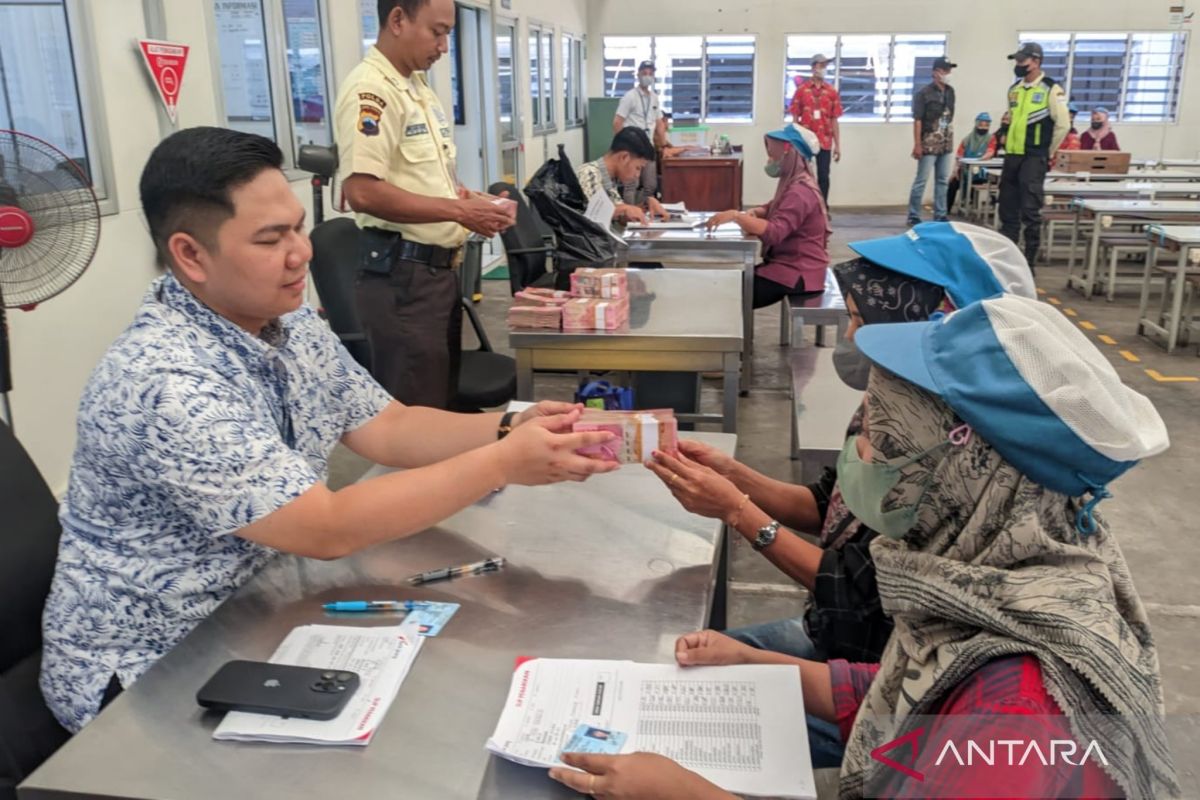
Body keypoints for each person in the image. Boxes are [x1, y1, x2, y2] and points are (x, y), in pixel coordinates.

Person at [38, 126, 619, 734]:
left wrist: (507, 427)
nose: (302, 253)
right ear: (190, 255)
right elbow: (325, 527)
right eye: (271, 238)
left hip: (260, 609)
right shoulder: (165, 382)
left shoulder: (285, 321)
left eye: (296, 227)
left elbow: (389, 428)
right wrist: (503, 464)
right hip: (153, 673)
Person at [552, 294, 1178, 799]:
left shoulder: (1018, 702)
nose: (860, 453)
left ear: (960, 469)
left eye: (882, 438)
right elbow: (905, 690)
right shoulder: (984, 578)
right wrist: (751, 664)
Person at [644, 221, 1035, 768]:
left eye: (860, 320)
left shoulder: (959, 458)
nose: (851, 336)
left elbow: (858, 592)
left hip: (886, 680)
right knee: (680, 675)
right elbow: (830, 501)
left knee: (688, 725)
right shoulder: (891, 402)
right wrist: (737, 476)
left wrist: (738, 511)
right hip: (837, 640)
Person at [334, 0, 514, 409]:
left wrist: (477, 203)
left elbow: (434, 182)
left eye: (448, 33)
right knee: (420, 409)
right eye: (437, 31)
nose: (444, 45)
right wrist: (459, 212)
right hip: (402, 279)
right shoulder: (372, 91)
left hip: (436, 277)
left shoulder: (417, 89)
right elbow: (363, 191)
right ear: (397, 20)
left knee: (441, 403)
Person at [704, 124, 829, 309]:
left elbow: (775, 232)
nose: (770, 160)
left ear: (789, 153)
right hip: (792, 266)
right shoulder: (797, 182)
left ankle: (739, 338)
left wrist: (737, 216)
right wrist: (758, 212)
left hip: (797, 272)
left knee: (730, 293)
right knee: (732, 285)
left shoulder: (800, 191)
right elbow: (774, 206)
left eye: (773, 155)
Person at [998, 41, 1070, 267]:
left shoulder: (1050, 89)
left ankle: (1029, 262)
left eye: (1023, 61)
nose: (1018, 65)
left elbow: (1063, 125)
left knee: (1030, 211)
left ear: (1036, 61)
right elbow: (1010, 119)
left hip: (1034, 157)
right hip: (1012, 157)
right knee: (1007, 209)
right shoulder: (1015, 90)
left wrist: (1046, 152)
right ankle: (1008, 261)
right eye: (1017, 61)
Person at [575, 128, 667, 225]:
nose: (637, 175)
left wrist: (645, 205)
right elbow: (594, 217)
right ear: (624, 157)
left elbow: (618, 217)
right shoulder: (589, 172)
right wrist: (625, 209)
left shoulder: (611, 180)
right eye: (638, 168)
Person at [906, 57, 958, 226]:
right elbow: (918, 120)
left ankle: (940, 213)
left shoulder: (950, 92)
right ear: (935, 72)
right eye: (945, 70)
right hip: (929, 141)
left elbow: (950, 116)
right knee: (922, 179)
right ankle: (914, 214)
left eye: (949, 70)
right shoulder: (924, 94)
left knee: (942, 180)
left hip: (945, 141)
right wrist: (917, 144)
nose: (948, 74)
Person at [789, 53, 842, 204]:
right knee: (803, 176)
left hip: (824, 140)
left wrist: (838, 146)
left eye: (826, 66)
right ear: (813, 67)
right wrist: (794, 141)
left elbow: (834, 119)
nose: (824, 69)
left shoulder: (831, 91)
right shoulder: (802, 90)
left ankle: (822, 208)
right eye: (821, 65)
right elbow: (795, 118)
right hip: (805, 141)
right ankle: (803, 207)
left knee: (824, 175)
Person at [613, 60, 666, 205]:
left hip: (648, 147)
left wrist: (663, 145)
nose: (647, 76)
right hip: (632, 148)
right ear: (638, 75)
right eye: (644, 73)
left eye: (650, 73)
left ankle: (641, 210)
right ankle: (629, 217)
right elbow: (617, 122)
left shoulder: (654, 97)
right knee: (631, 184)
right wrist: (623, 146)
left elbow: (660, 122)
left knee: (650, 186)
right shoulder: (630, 96)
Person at [947, 112, 995, 214]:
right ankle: (946, 210)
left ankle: (974, 209)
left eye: (986, 125)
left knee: (979, 181)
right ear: (976, 124)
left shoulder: (991, 138)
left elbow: (990, 152)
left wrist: (980, 160)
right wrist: (955, 170)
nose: (983, 128)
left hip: (982, 170)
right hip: (965, 169)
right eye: (981, 125)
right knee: (953, 182)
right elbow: (959, 156)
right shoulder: (967, 139)